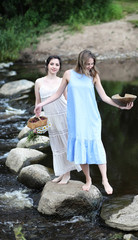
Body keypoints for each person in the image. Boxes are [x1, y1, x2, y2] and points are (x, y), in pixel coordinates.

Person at [34, 50, 133, 194]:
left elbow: (104, 97)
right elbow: (57, 94)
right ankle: (88, 179)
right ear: (81, 62)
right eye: (87, 64)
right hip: (75, 118)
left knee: (97, 145)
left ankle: (105, 179)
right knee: (80, 148)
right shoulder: (68, 74)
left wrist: (121, 105)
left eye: (92, 64)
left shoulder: (94, 75)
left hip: (91, 117)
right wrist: (40, 105)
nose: (90, 66)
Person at [34, 55, 81, 184]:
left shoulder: (62, 80)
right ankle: (61, 173)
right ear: (47, 65)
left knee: (65, 144)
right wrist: (37, 119)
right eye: (52, 64)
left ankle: (67, 175)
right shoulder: (38, 82)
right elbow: (38, 103)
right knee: (56, 146)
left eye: (57, 65)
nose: (54, 67)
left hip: (63, 114)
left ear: (59, 67)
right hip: (50, 117)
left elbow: (67, 99)